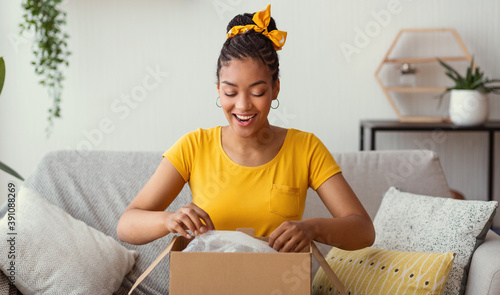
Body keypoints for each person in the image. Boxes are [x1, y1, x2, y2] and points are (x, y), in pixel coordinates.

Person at [117, 4, 375, 253]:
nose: (242, 105)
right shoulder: (194, 146)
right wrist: (169, 220)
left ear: (275, 89)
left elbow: (364, 231)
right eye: (230, 92)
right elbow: (127, 225)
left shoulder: (306, 148)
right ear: (218, 89)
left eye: (257, 92)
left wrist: (313, 228)